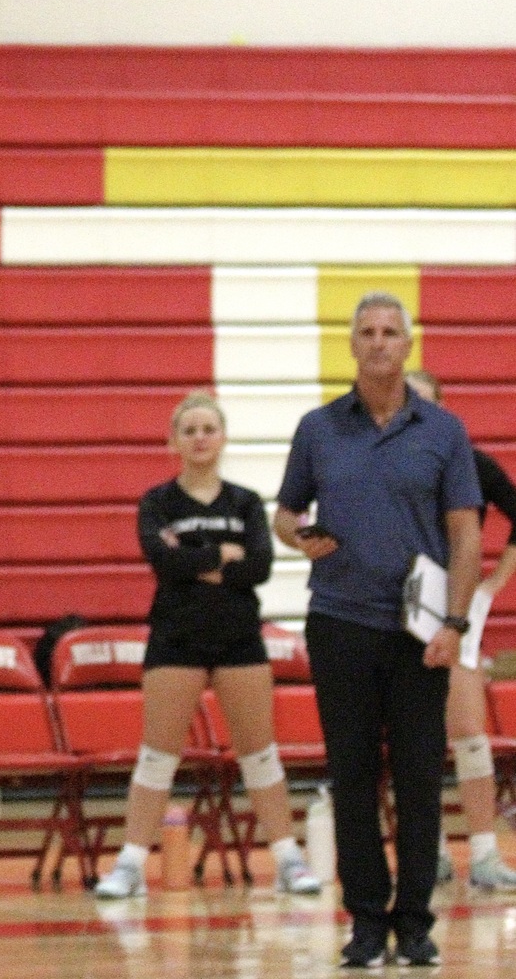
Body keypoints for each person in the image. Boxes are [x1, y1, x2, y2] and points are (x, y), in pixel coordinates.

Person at [273, 292, 483, 969]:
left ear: (408, 343)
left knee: (420, 779)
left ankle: (414, 924)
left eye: (391, 331)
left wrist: (455, 622)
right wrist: (299, 536)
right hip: (339, 622)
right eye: (367, 331)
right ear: (353, 344)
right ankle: (366, 924)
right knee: (353, 777)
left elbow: (466, 533)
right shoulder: (318, 428)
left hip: (421, 633)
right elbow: (284, 514)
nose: (379, 341)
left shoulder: (444, 431)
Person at [92, 392, 320, 899]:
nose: (199, 438)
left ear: (223, 438)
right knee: (158, 756)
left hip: (239, 637)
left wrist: (195, 557)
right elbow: (163, 561)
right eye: (189, 430)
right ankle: (130, 864)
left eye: (208, 429)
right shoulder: (158, 502)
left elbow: (259, 566)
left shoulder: (245, 502)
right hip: (176, 637)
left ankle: (288, 859)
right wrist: (222, 555)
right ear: (173, 441)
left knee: (260, 754)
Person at [404, 368, 516, 892]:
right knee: (411, 732)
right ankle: (429, 853)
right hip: (399, 600)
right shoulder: (381, 464)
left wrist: (496, 580)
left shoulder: (471, 463)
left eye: (426, 403)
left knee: (469, 729)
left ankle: (486, 854)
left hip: (455, 596)